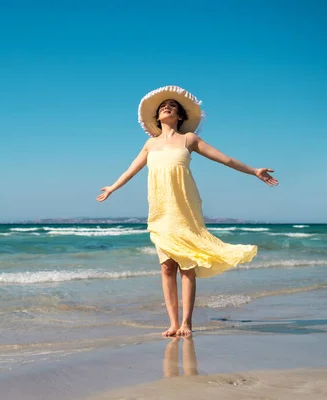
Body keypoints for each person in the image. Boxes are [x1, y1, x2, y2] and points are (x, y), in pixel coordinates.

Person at [96, 85, 278, 337]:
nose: (166, 107)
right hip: (160, 209)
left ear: (180, 116)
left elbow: (225, 159)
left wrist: (253, 170)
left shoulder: (189, 140)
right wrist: (112, 187)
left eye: (171, 106)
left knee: (186, 264)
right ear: (156, 117)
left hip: (183, 208)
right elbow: (131, 169)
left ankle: (186, 324)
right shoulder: (150, 144)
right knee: (166, 267)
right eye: (162, 107)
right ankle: (172, 323)